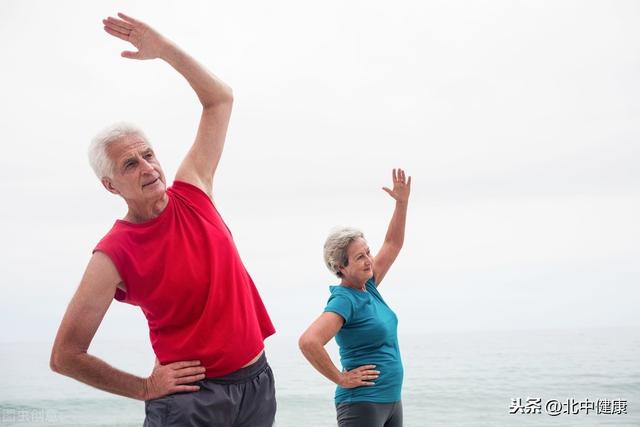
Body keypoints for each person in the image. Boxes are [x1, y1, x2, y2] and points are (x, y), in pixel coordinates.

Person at [50, 13, 276, 427]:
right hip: (192, 402)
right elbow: (65, 355)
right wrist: (143, 388)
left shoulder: (193, 190)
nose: (147, 167)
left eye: (148, 155)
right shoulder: (113, 254)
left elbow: (220, 99)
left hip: (257, 384)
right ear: (111, 185)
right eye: (130, 164)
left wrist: (164, 51)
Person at [299, 168, 411, 427]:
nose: (369, 260)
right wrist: (340, 378)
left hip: (391, 402)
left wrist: (401, 204)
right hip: (362, 404)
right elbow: (309, 341)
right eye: (360, 257)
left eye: (368, 252)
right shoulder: (344, 300)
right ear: (341, 267)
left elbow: (393, 244)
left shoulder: (369, 286)